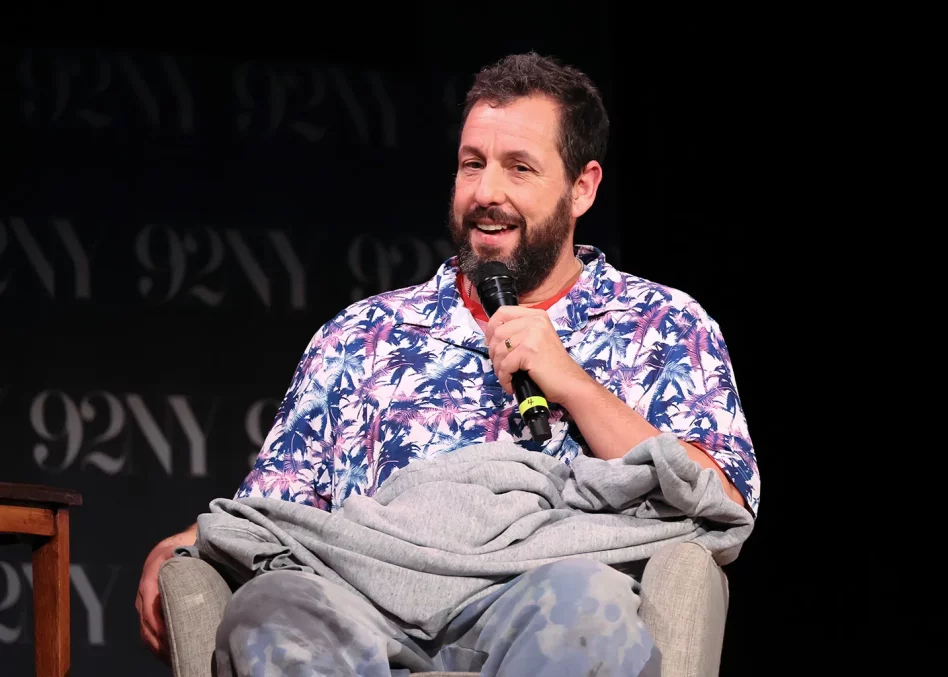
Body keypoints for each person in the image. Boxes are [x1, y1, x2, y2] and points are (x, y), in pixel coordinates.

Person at [136, 52, 760, 676]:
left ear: (582, 187)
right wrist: (191, 542)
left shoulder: (662, 322)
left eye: (519, 169)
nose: (487, 194)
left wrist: (570, 381)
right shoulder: (363, 335)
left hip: (544, 605)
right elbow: (280, 512)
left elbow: (718, 497)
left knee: (587, 605)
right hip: (370, 610)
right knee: (273, 604)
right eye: (472, 165)